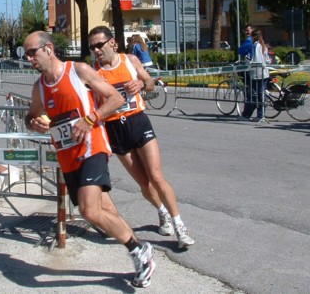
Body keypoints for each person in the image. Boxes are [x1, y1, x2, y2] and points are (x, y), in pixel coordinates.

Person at [24, 31, 156, 288]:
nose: (29, 59)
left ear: (49, 49)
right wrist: (34, 123)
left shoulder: (78, 70)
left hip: (93, 148)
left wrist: (90, 119)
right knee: (105, 212)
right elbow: (31, 116)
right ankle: (140, 250)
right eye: (27, 54)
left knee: (88, 210)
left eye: (33, 52)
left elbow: (115, 98)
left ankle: (140, 252)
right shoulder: (39, 87)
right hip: (68, 156)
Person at [89, 26, 195, 249]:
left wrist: (139, 84)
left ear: (112, 43)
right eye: (92, 47)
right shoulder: (93, 72)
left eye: (100, 45)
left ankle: (180, 226)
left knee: (156, 176)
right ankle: (162, 211)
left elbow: (150, 83)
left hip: (138, 121)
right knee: (145, 185)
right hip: (115, 128)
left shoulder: (130, 61)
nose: (96, 50)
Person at [238, 29, 270, 121]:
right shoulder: (264, 46)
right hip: (264, 73)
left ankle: (246, 115)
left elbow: (249, 59)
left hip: (255, 74)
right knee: (261, 96)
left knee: (251, 95)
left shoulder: (253, 46)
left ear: (254, 37)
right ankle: (260, 115)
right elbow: (268, 60)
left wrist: (244, 64)